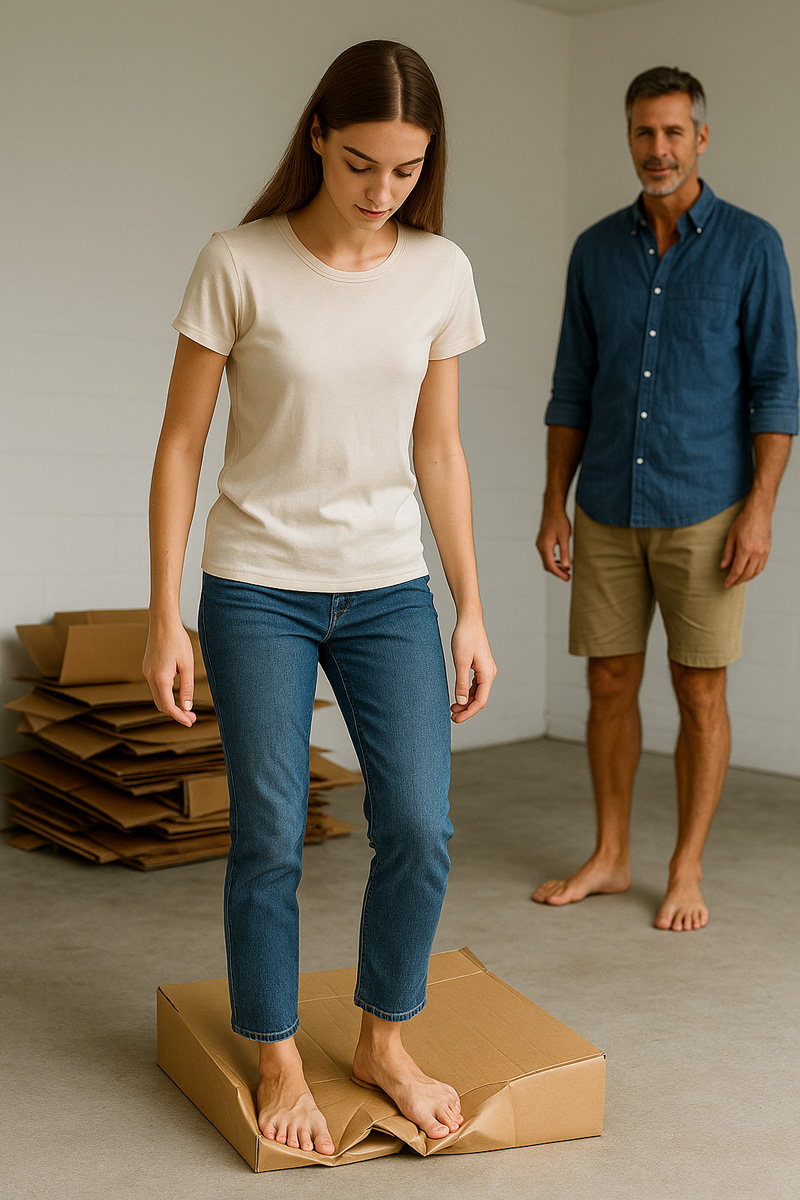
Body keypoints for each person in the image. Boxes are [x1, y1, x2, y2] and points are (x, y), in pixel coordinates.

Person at [144, 40, 496, 1156]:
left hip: (389, 588)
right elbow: (180, 445)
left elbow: (439, 453)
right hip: (257, 589)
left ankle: (384, 1038)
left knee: (421, 825)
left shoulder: (440, 270)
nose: (379, 190)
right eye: (359, 164)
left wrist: (469, 609)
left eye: (402, 171)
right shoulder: (236, 260)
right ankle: (277, 1050)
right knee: (270, 835)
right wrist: (164, 613)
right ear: (316, 138)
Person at [533, 66, 797, 932]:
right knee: (608, 684)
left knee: (699, 693)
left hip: (709, 509)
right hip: (608, 500)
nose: (658, 149)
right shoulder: (594, 251)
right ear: (630, 138)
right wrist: (552, 503)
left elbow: (777, 389)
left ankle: (684, 866)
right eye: (645, 133)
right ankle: (612, 854)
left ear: (701, 139)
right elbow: (573, 384)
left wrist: (760, 508)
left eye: (674, 133)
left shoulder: (752, 246)